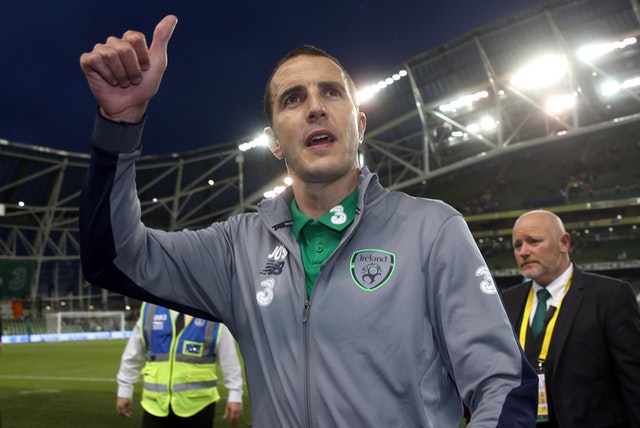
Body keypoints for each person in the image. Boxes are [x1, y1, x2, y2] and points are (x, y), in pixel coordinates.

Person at [79, 15, 537, 427]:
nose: (315, 107)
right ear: (275, 142)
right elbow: (113, 257)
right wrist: (121, 123)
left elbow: (502, 384)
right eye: (293, 99)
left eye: (331, 92)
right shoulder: (236, 250)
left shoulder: (432, 229)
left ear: (359, 124)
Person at [502, 209, 640, 427]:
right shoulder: (507, 301)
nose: (524, 252)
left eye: (534, 241)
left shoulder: (610, 295)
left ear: (564, 242)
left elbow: (634, 381)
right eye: (517, 245)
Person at [116, 302, 243, 427]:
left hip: (199, 406)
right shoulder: (151, 307)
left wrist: (235, 394)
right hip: (155, 404)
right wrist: (124, 389)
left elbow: (229, 358)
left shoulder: (212, 309)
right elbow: (132, 353)